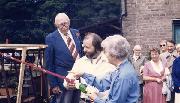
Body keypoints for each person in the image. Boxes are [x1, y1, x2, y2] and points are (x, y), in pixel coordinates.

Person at [73, 35, 139, 103]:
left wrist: (95, 98)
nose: (104, 55)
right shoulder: (121, 69)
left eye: (105, 52)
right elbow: (103, 84)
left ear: (113, 54)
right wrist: (83, 74)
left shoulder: (124, 76)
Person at [64, 33, 116, 103]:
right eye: (83, 47)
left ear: (97, 48)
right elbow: (69, 78)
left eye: (87, 47)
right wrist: (68, 84)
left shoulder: (109, 61)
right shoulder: (80, 62)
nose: (84, 50)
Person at [45, 13, 83, 103]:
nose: (64, 26)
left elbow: (81, 53)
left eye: (65, 23)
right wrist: (53, 84)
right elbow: (49, 63)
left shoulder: (76, 33)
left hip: (79, 76)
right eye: (61, 24)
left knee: (77, 100)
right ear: (56, 25)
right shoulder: (50, 38)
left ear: (69, 22)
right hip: (62, 79)